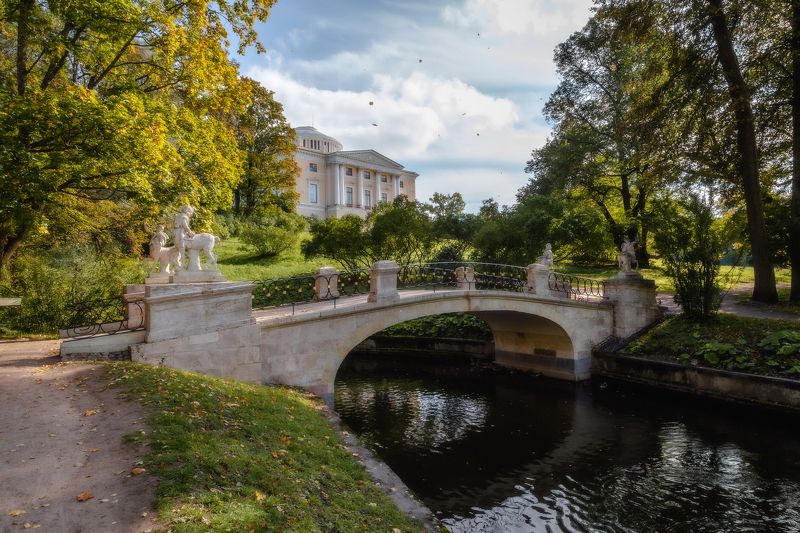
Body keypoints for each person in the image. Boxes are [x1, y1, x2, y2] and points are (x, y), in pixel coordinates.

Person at [173, 205, 196, 270]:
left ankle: (178, 265)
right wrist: (190, 233)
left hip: (175, 233)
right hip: (180, 234)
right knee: (182, 249)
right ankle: (182, 265)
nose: (191, 214)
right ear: (186, 211)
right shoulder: (184, 216)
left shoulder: (178, 216)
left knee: (178, 250)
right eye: (190, 212)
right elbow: (185, 226)